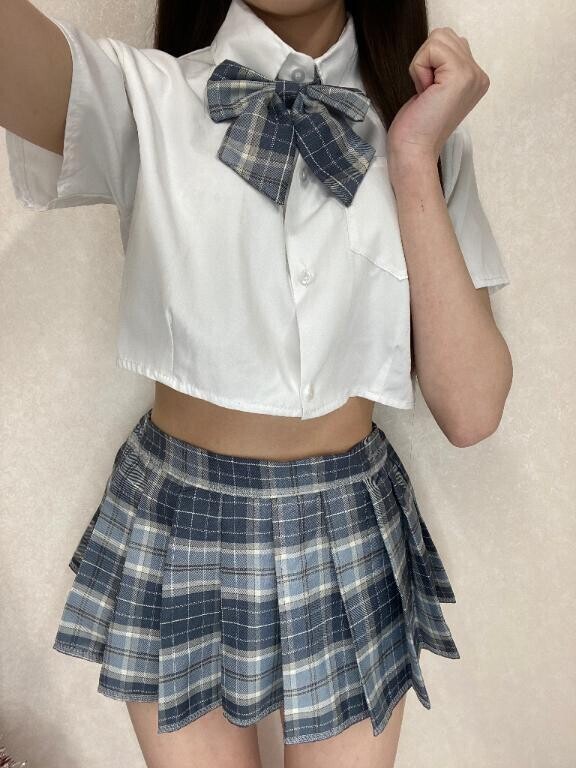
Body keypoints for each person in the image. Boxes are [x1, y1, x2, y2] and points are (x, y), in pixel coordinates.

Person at [0, 0, 513, 766]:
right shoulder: (146, 96)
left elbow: (471, 410)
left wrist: (411, 156)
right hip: (176, 519)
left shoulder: (427, 127)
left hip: (346, 524)